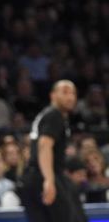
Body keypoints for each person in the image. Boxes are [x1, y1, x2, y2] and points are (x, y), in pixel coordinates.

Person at [20, 80, 87, 222]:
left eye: (73, 93)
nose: (70, 97)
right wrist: (49, 180)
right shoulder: (54, 115)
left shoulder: (48, 114)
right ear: (53, 95)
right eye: (65, 92)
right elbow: (44, 146)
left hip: (33, 177)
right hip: (44, 176)